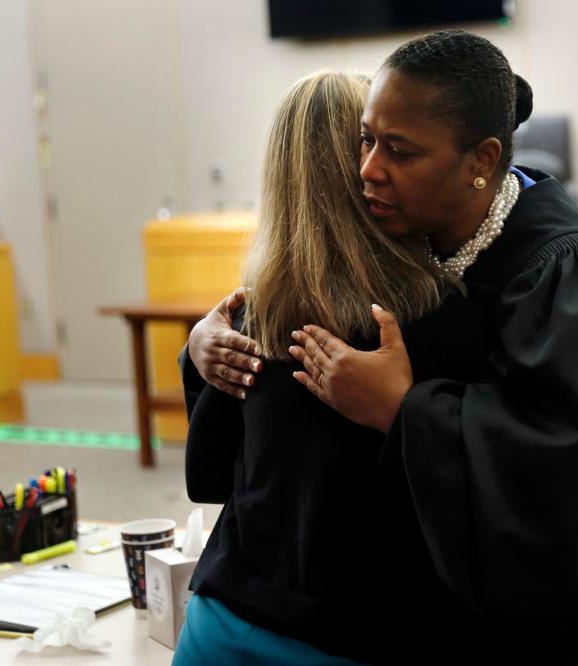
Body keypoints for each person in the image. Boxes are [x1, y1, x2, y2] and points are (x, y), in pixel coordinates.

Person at [187, 30, 578, 665]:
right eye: (366, 139)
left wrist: (403, 409)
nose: (368, 170)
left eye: (400, 152)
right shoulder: (431, 247)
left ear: (480, 162)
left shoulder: (566, 277)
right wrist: (207, 339)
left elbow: (563, 475)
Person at [174, 70, 447, 665]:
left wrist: (196, 351)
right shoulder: (426, 314)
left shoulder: (249, 316)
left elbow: (210, 478)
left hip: (221, 625)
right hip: (354, 635)